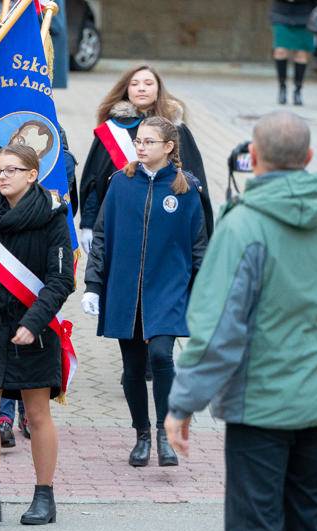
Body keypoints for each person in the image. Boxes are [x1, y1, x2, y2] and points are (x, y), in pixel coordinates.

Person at [165, 111, 317, 531]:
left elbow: (218, 330)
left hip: (261, 404)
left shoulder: (243, 227)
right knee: (310, 527)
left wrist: (182, 404)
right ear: (308, 157)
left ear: (254, 157)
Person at [0, 144, 74, 525]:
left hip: (33, 330)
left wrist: (33, 322)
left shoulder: (53, 216)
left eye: (11, 170)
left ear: (32, 174)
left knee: (36, 413)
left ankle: (44, 495)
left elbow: (61, 280)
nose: (2, 176)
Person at [82, 116, 207, 468]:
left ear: (168, 147)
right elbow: (103, 236)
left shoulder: (186, 188)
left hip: (169, 288)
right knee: (133, 366)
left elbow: (200, 246)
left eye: (149, 141)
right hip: (125, 289)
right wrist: (93, 285)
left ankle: (166, 434)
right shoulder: (122, 183)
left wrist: (204, 295)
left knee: (162, 357)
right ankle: (142, 434)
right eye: (139, 140)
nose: (141, 146)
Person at [78, 65, 212, 257]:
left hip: (168, 222)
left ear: (158, 90)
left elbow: (195, 184)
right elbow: (94, 182)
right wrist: (88, 225)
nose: (141, 88)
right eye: (135, 84)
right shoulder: (111, 132)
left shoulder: (177, 130)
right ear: (126, 90)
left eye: (148, 83)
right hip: (121, 224)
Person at [271, 0, 317, 105]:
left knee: (301, 55)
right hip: (281, 15)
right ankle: (282, 87)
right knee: (280, 51)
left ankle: (298, 90)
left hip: (304, 16)